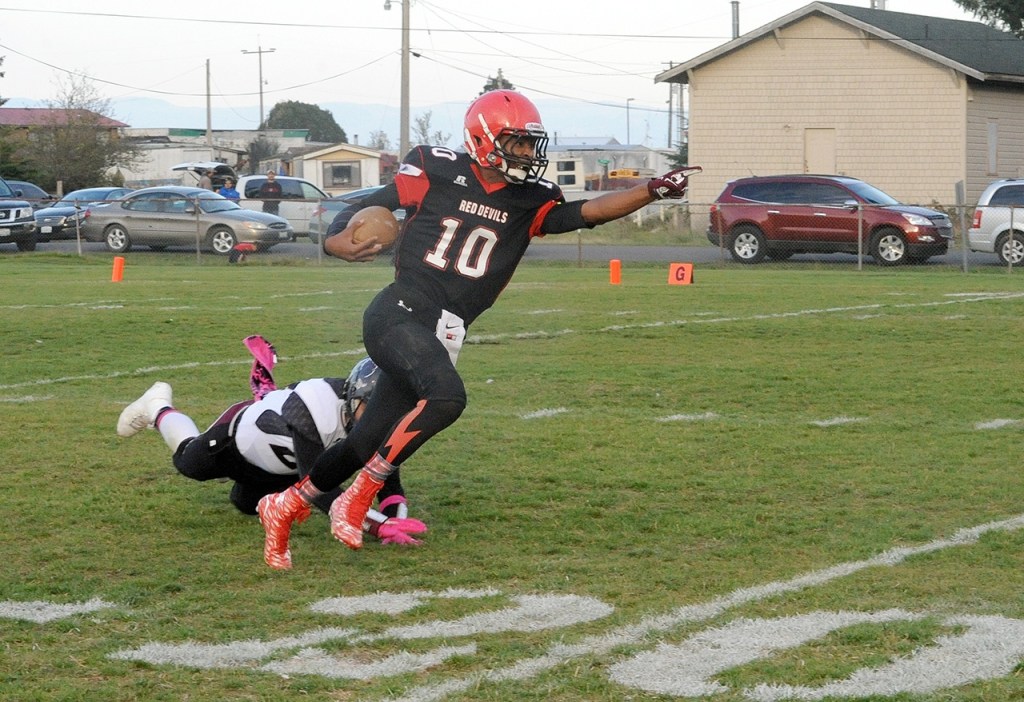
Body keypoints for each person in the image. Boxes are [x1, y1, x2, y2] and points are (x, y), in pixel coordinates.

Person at [257, 89, 696, 570]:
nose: (528, 154)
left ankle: (285, 505)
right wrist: (337, 242)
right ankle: (357, 496)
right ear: (484, 139)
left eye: (531, 144)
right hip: (400, 310)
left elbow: (587, 213)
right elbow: (371, 204)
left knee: (364, 441)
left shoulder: (532, 199)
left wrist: (650, 190)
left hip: (444, 330)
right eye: (518, 143)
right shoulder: (435, 167)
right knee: (447, 397)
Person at [116, 336, 425, 560]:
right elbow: (318, 488)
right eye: (373, 408)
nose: (380, 419)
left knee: (246, 503)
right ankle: (158, 406)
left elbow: (387, 477)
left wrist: (394, 514)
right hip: (236, 440)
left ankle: (265, 388)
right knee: (188, 462)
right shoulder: (316, 407)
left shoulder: (368, 416)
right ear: (356, 396)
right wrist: (379, 526)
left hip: (282, 466)